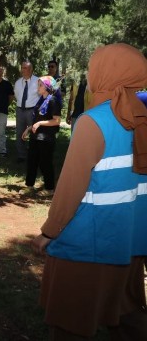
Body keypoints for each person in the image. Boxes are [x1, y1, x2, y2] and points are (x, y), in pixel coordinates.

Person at [31, 43, 147, 340]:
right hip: (133, 240)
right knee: (127, 316)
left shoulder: (93, 122)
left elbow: (71, 187)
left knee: (70, 324)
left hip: (89, 244)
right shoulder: (143, 116)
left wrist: (49, 231)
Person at [22, 76, 62, 195]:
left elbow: (57, 121)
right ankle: (30, 186)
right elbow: (38, 118)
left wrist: (39, 123)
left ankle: (49, 188)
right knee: (32, 161)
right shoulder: (41, 100)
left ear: (47, 87)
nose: (37, 87)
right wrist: (29, 128)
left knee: (45, 163)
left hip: (46, 138)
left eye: (40, 85)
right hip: (36, 137)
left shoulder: (53, 100)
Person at [13, 61, 40, 162]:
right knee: (20, 132)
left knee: (34, 132)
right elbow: (16, 96)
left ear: (30, 70)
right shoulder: (18, 82)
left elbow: (43, 96)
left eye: (25, 68)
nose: (22, 70)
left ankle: (35, 154)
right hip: (20, 110)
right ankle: (21, 155)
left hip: (33, 110)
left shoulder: (38, 81)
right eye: (22, 68)